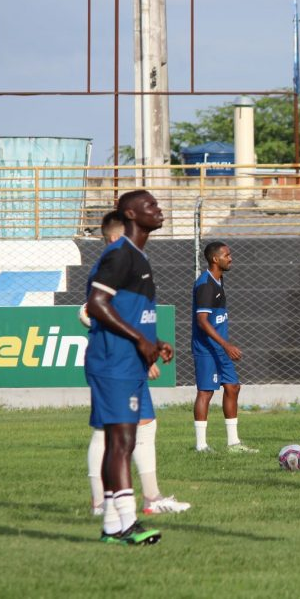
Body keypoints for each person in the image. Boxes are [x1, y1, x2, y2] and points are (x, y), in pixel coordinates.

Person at [85, 211, 190, 517]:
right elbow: (94, 308)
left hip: (131, 360)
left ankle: (148, 498)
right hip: (115, 360)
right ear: (118, 237)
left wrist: (151, 344)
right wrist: (139, 345)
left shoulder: (131, 259)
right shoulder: (113, 260)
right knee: (109, 431)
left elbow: (130, 313)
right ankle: (103, 504)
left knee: (141, 426)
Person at [192, 241, 257, 454]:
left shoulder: (219, 280)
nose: (231, 258)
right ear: (215, 259)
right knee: (206, 392)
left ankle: (233, 443)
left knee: (232, 387)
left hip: (220, 347)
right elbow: (202, 320)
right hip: (207, 348)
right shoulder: (205, 284)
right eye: (227, 255)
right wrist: (226, 344)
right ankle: (201, 446)